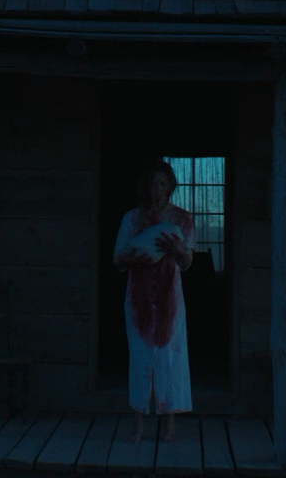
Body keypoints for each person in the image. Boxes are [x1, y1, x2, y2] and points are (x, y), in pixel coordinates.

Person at [112, 160, 196, 443]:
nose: (158, 189)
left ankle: (169, 424)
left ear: (170, 187)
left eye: (163, 184)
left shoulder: (182, 219)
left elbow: (187, 262)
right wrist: (138, 255)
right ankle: (138, 424)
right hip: (139, 299)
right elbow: (118, 258)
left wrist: (177, 248)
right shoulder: (132, 219)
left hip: (170, 299)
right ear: (145, 187)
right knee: (140, 357)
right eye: (153, 184)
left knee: (169, 357)